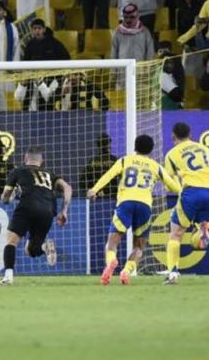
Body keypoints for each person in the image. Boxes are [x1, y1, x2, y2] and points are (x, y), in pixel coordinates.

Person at [87, 134, 180, 285]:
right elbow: (176, 188)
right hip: (144, 206)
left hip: (126, 203)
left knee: (112, 243)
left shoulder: (125, 160)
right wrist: (175, 177)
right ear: (151, 150)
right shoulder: (156, 166)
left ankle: (111, 262)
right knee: (139, 246)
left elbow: (108, 175)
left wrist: (94, 189)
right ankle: (126, 271)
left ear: (135, 147)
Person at [0, 146, 72, 284]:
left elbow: (5, 196)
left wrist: (8, 197)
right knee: (31, 250)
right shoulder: (50, 174)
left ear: (25, 158)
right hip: (48, 210)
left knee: (11, 242)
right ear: (41, 160)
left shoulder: (18, 171)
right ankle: (44, 247)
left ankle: (8, 277)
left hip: (27, 205)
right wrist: (64, 210)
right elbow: (67, 188)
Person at [163, 122, 209, 284]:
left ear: (173, 136)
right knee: (204, 226)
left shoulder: (171, 154)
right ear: (190, 134)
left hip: (191, 192)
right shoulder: (205, 149)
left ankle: (173, 274)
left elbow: (169, 181)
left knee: (176, 234)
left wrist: (179, 190)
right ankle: (203, 227)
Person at [79, 133, 118, 197]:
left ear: (98, 146)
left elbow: (82, 182)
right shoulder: (115, 161)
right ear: (109, 145)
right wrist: (107, 191)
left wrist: (93, 191)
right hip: (112, 198)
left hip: (95, 198)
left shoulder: (92, 161)